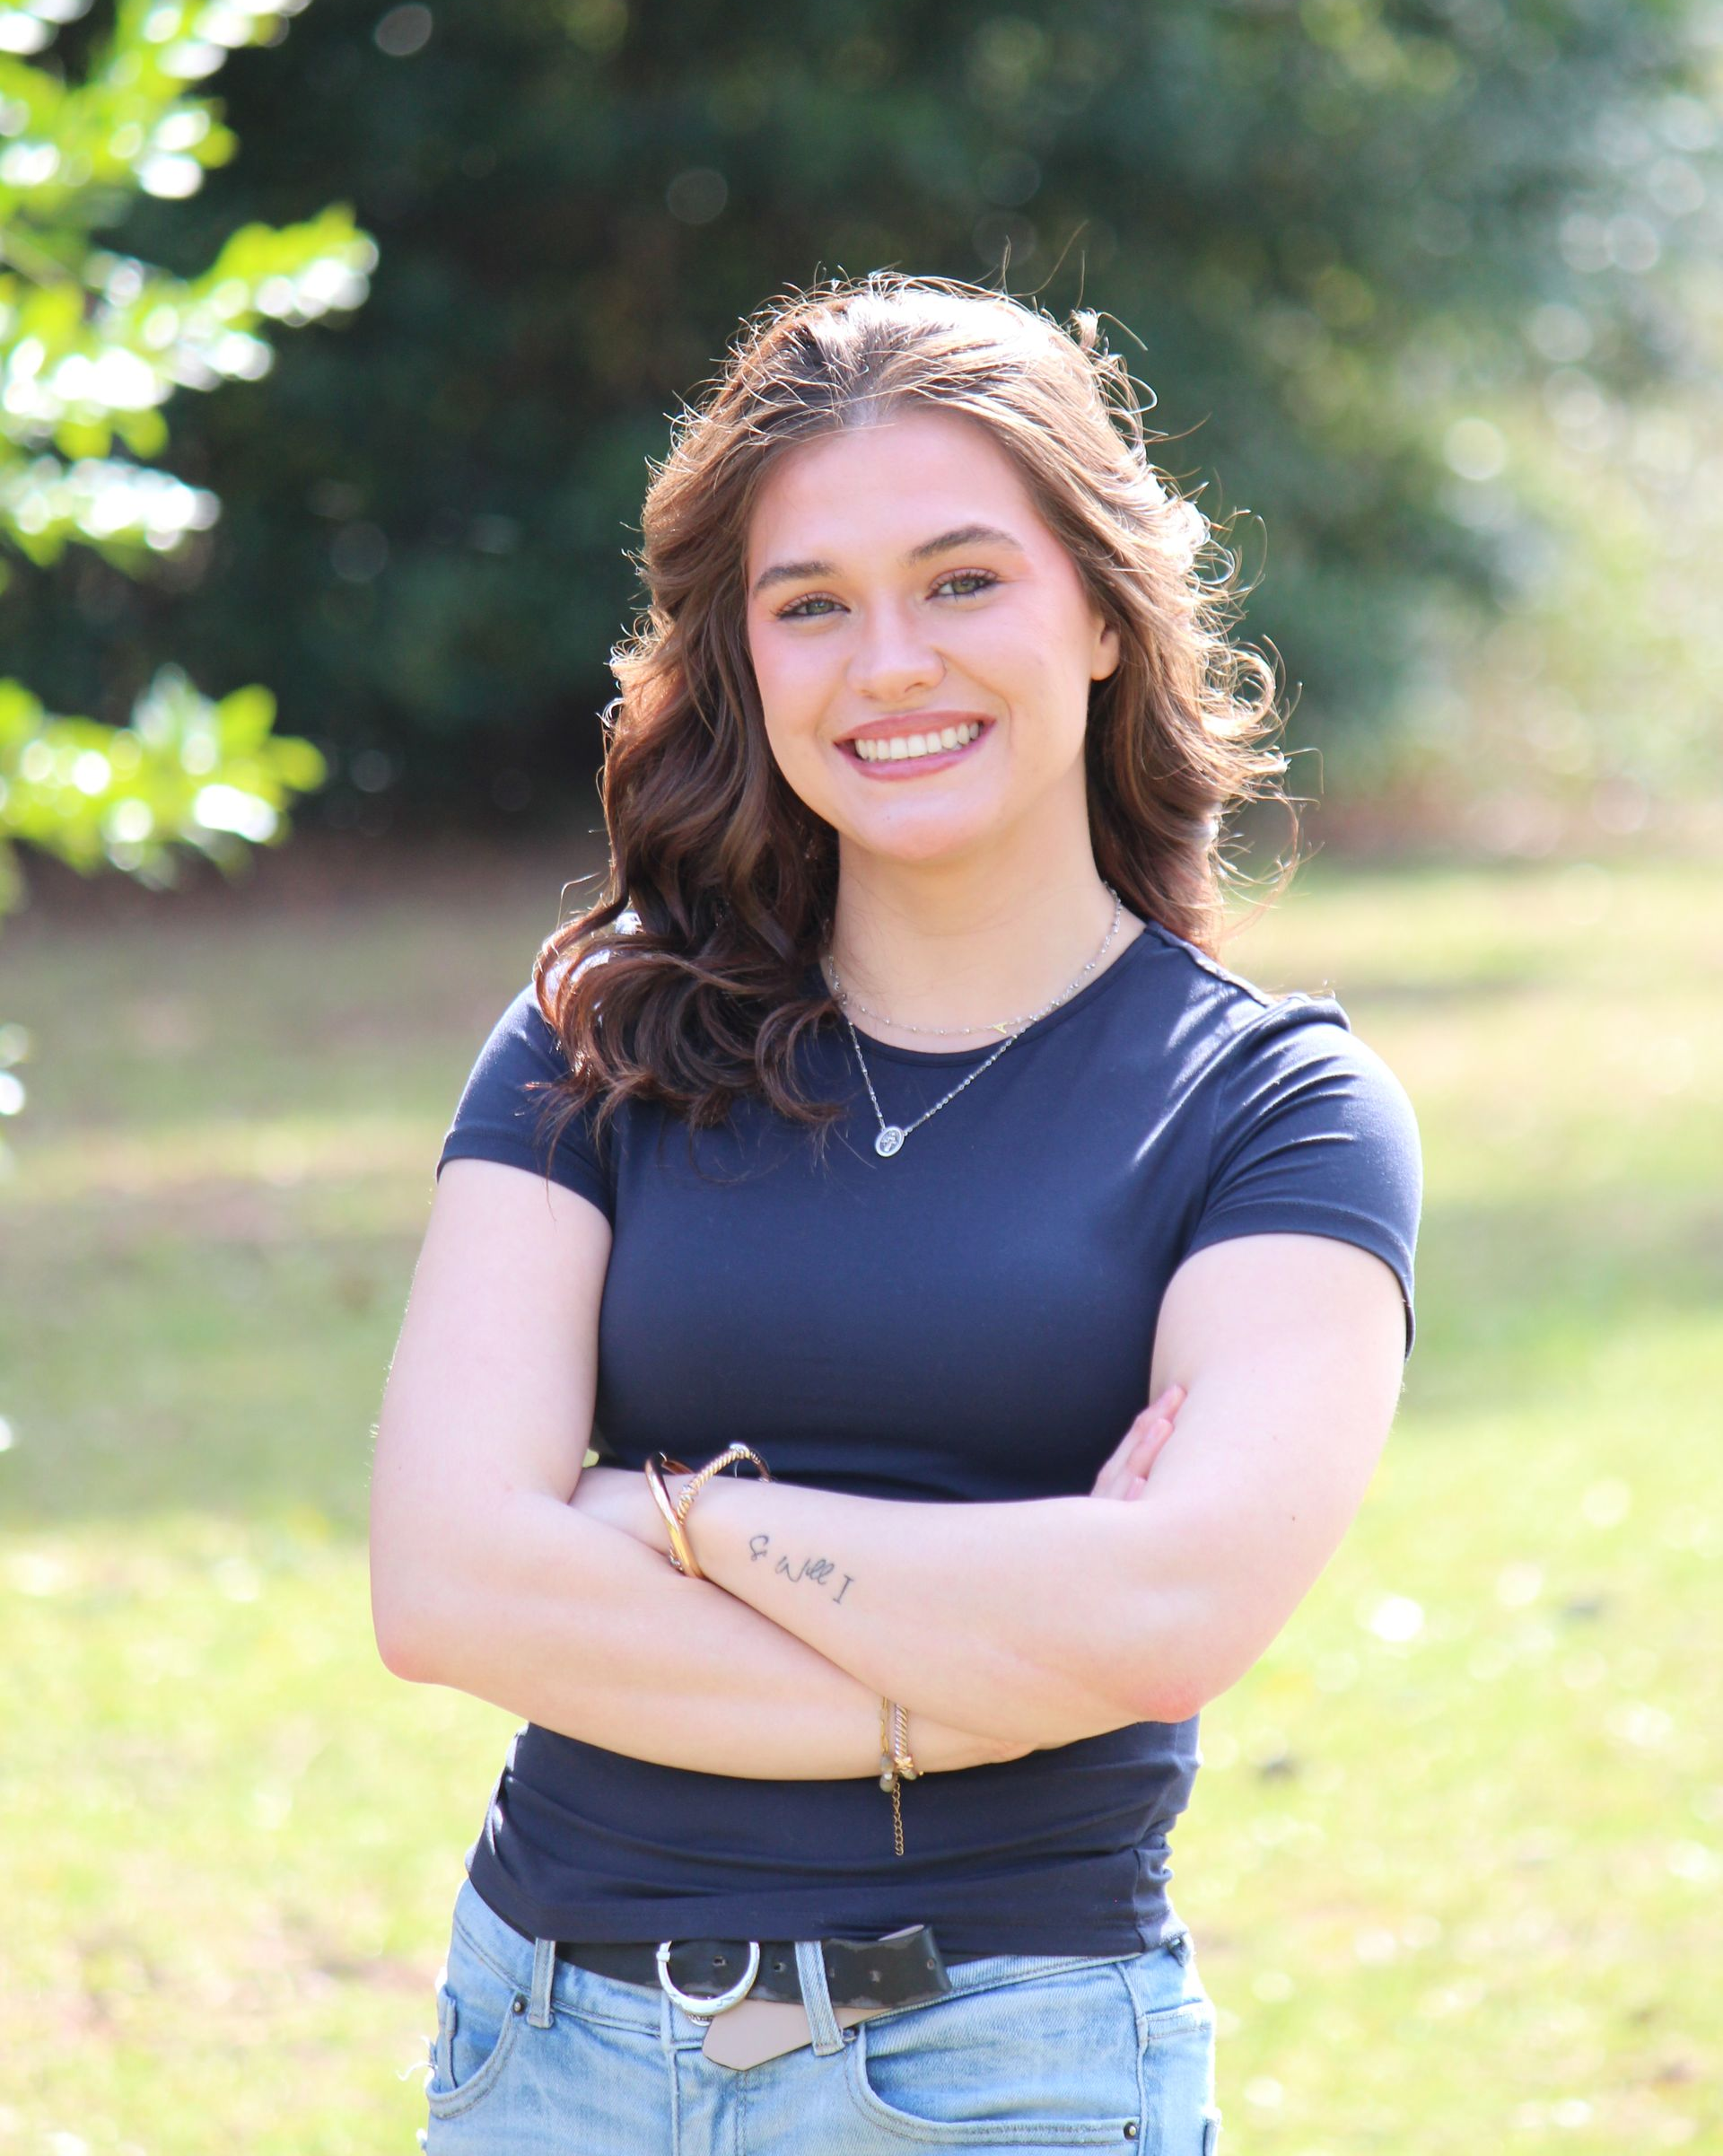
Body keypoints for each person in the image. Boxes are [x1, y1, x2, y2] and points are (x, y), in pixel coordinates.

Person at [369, 269, 1422, 2155]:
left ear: (1102, 611)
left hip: (1003, 2068)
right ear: (745, 658)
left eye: (962, 581)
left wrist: (676, 1516)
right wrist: (974, 1679)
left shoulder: (1277, 1111)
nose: (890, 665)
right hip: (546, 2047)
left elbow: (1167, 1614)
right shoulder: (593, 1038)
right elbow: (445, 1583)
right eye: (811, 606)